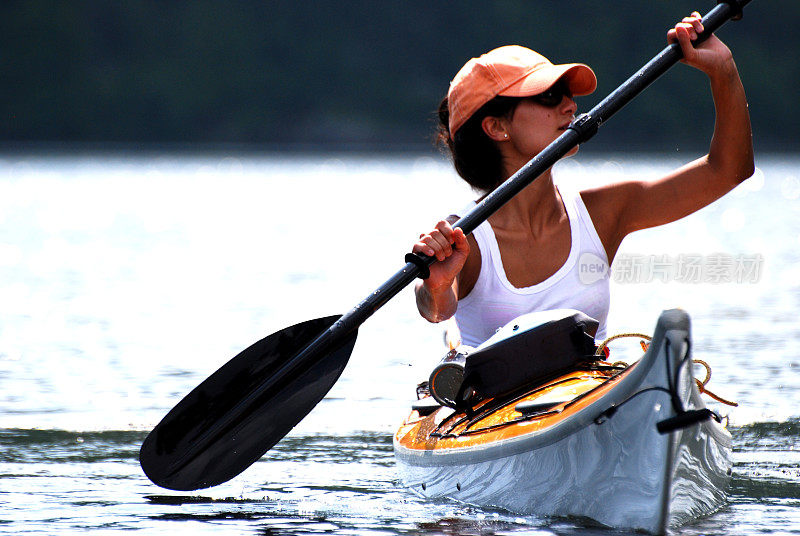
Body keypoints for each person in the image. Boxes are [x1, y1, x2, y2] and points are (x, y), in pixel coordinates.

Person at [412, 13, 754, 348]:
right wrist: (436, 287)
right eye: (550, 96)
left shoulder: (603, 212)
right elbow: (437, 310)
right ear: (497, 127)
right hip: (493, 400)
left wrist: (723, 70)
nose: (570, 106)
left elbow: (729, 170)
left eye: (567, 94)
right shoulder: (462, 238)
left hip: (591, 391)